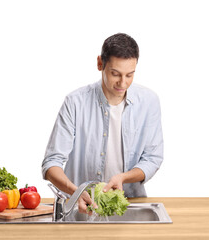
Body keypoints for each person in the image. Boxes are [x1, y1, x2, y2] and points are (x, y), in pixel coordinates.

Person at [42, 33, 163, 215]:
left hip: (129, 204)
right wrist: (75, 192)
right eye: (115, 74)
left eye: (130, 75)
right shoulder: (75, 102)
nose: (123, 83)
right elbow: (51, 163)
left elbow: (153, 158)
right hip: (81, 206)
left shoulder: (149, 101)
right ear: (100, 64)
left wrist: (124, 177)